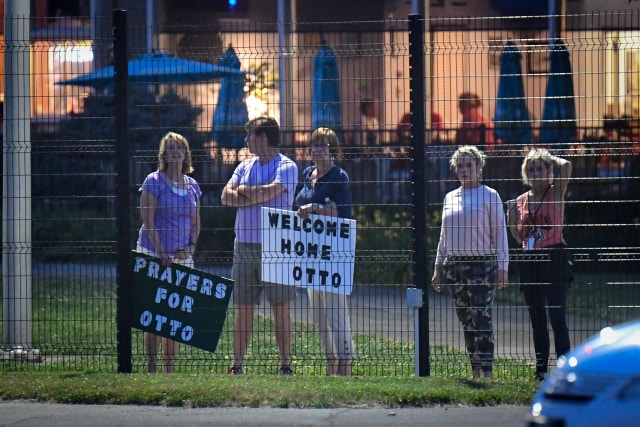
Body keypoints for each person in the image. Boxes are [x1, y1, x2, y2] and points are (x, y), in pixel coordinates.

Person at [221, 116, 299, 376]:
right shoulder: (244, 165)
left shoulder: (287, 166)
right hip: (243, 245)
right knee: (243, 307)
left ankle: (285, 364)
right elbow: (225, 196)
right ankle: (237, 364)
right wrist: (255, 194)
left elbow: (271, 192)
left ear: (263, 137)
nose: (246, 140)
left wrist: (243, 192)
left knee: (280, 307)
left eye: (250, 135)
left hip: (276, 245)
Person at [431, 145, 509, 379]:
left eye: (469, 165)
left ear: (479, 167)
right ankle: (475, 369)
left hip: (481, 265)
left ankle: (487, 371)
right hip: (454, 265)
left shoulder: (490, 195)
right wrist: (438, 267)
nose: (464, 170)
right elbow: (443, 236)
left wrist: (503, 266)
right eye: (460, 166)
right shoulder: (450, 197)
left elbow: (500, 233)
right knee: (465, 319)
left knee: (481, 316)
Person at [136, 131, 202, 373]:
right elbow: (148, 220)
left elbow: (196, 223)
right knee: (154, 315)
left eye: (180, 148)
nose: (176, 152)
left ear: (186, 154)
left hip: (182, 256)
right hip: (154, 252)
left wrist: (191, 247)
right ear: (164, 154)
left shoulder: (193, 185)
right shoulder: (153, 181)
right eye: (171, 148)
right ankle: (151, 367)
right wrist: (162, 252)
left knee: (174, 314)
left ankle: (169, 368)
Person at [506, 149, 573, 381]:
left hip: (554, 257)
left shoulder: (556, 192)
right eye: (531, 169)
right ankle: (541, 369)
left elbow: (567, 167)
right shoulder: (521, 201)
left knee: (557, 315)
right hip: (531, 260)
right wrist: (512, 222)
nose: (536, 173)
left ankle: (565, 370)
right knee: (537, 317)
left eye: (540, 168)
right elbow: (520, 237)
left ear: (548, 171)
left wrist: (544, 155)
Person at [294, 127, 355, 376]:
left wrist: (316, 207)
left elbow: (343, 213)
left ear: (333, 150)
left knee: (335, 311)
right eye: (315, 144)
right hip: (310, 254)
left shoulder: (339, 177)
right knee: (318, 314)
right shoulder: (308, 174)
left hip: (332, 255)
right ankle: (330, 360)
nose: (318, 149)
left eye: (324, 144)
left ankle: (345, 361)